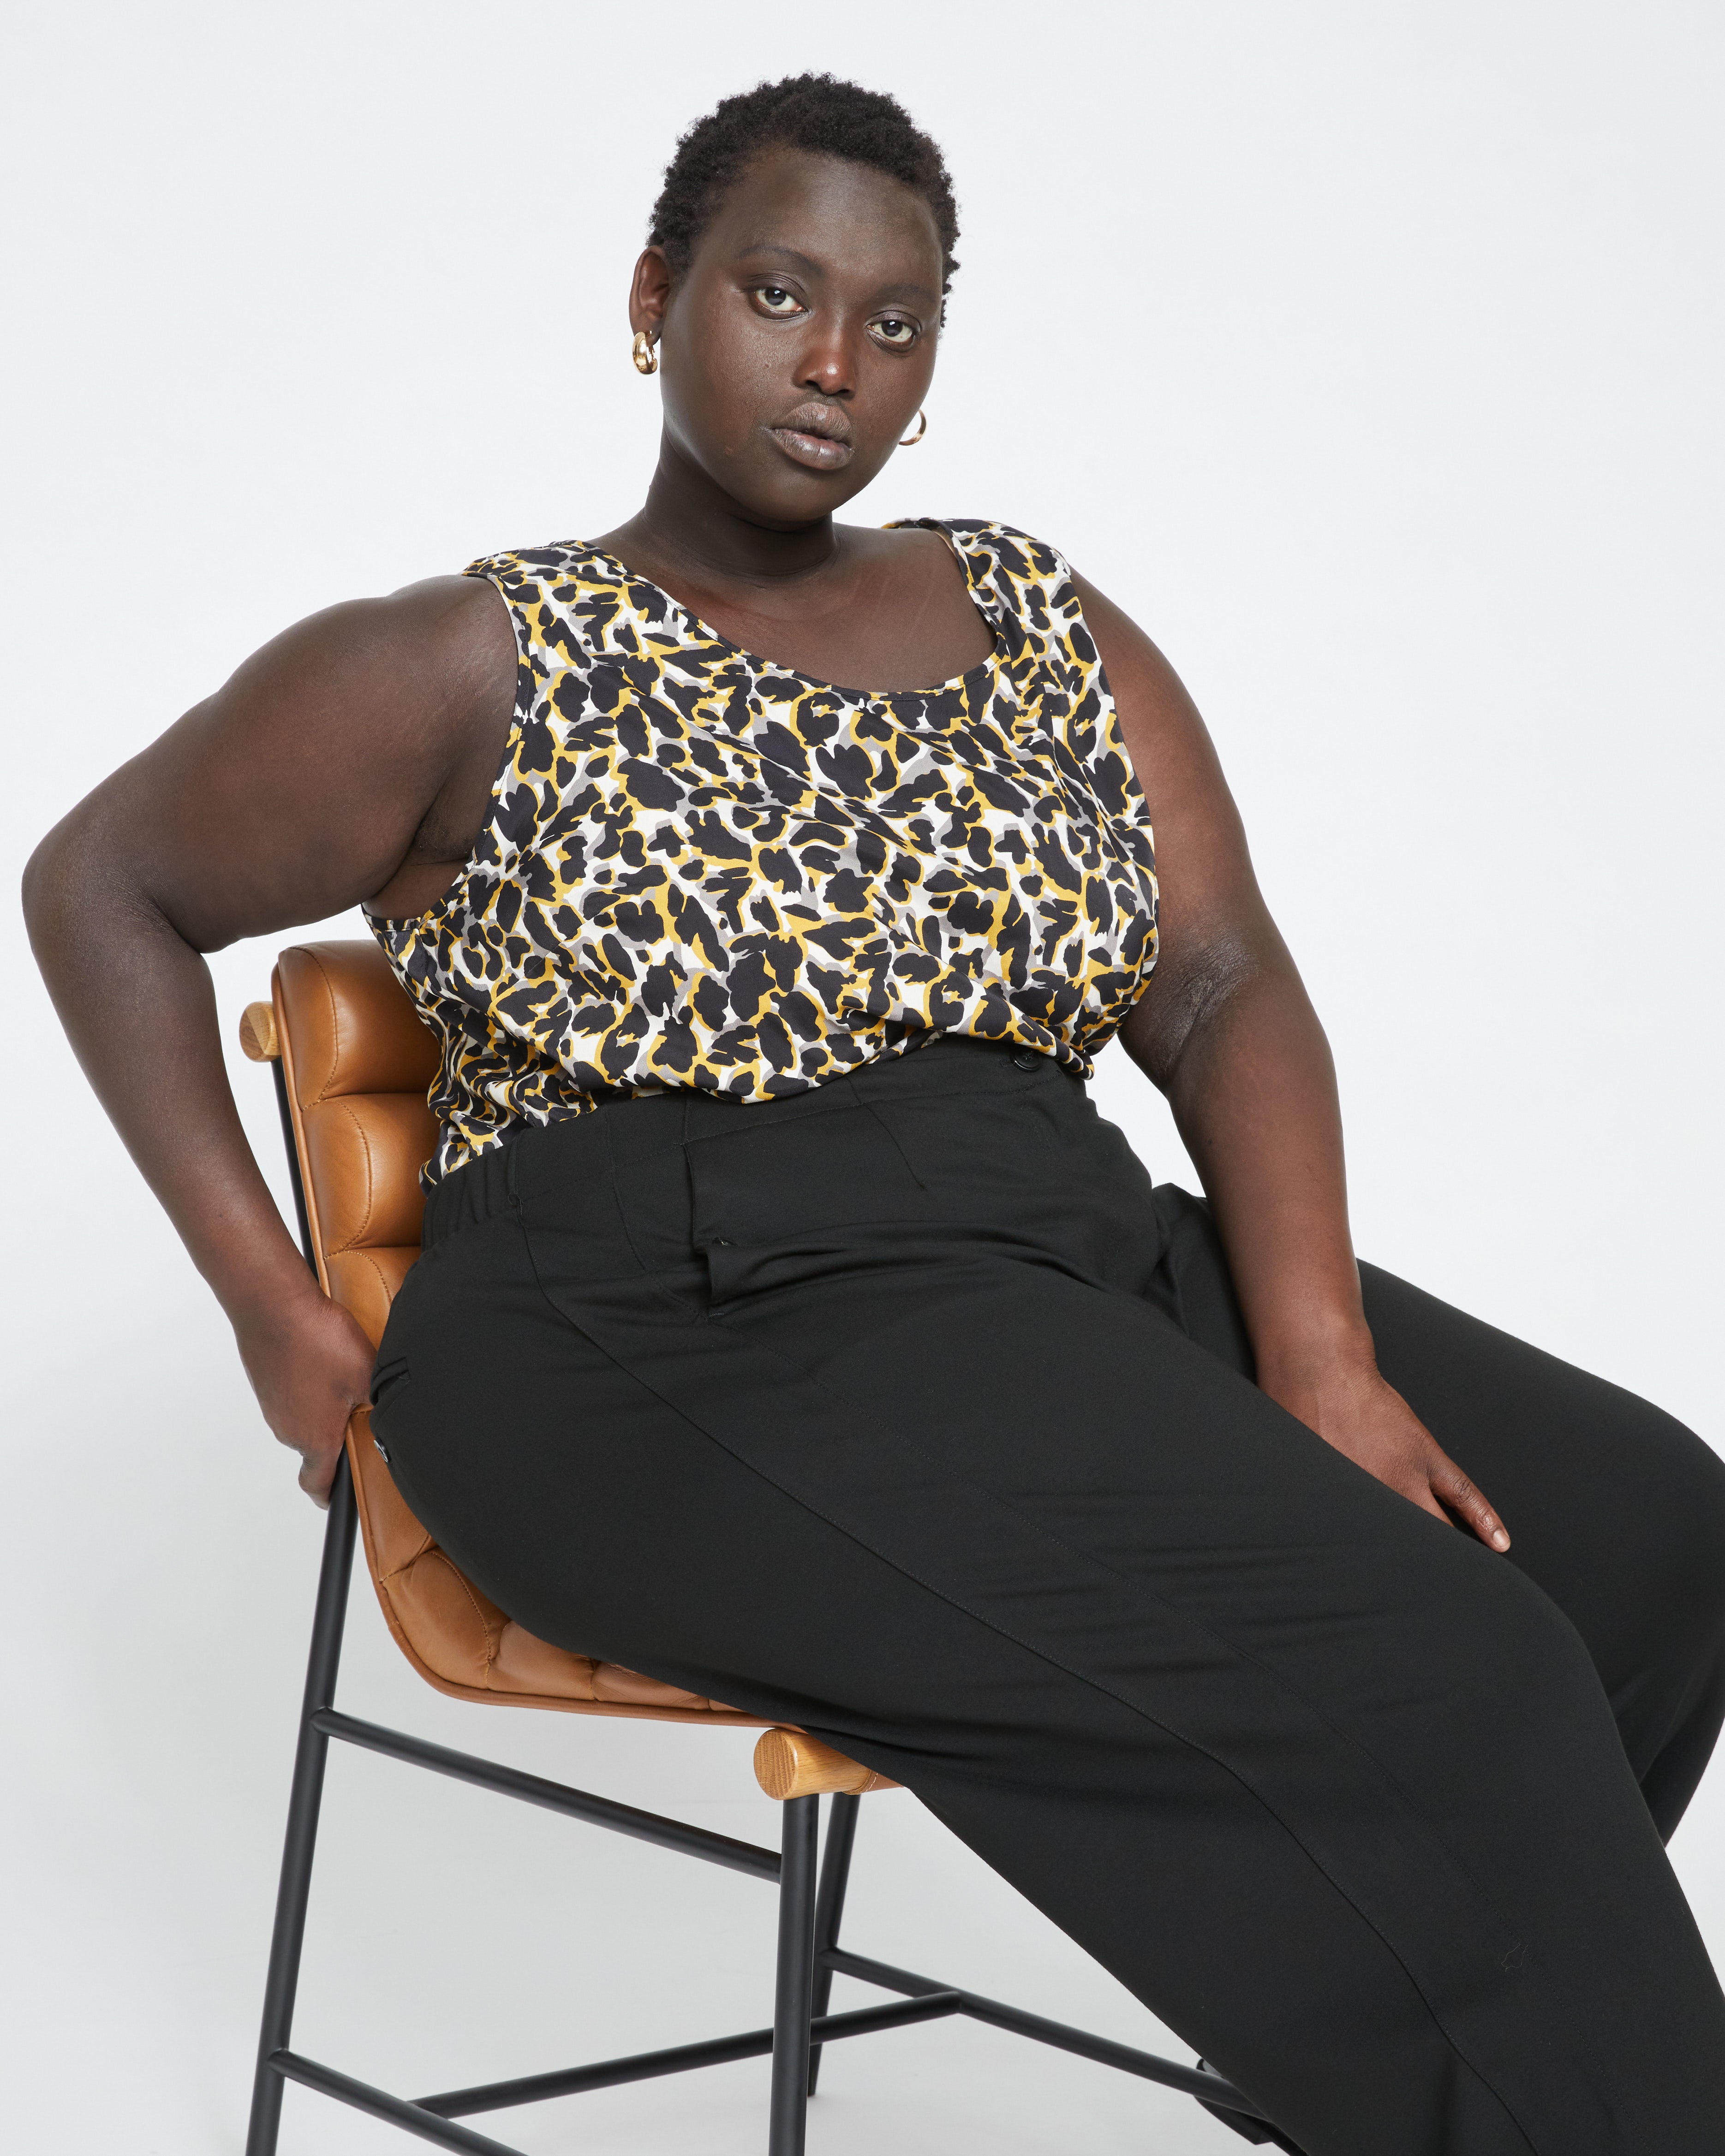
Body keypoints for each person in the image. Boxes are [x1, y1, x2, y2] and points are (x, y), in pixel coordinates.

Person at [22, 72, 1725, 2156]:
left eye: (893, 321)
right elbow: (100, 884)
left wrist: (1318, 1354)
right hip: (654, 1317)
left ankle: (1408, 2065)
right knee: (1458, 1662)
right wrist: (267, 1305)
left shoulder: (1034, 620)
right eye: (776, 293)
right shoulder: (470, 656)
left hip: (1045, 1245)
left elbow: (1213, 978)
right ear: (652, 299)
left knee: (1640, 1539)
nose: (834, 361)